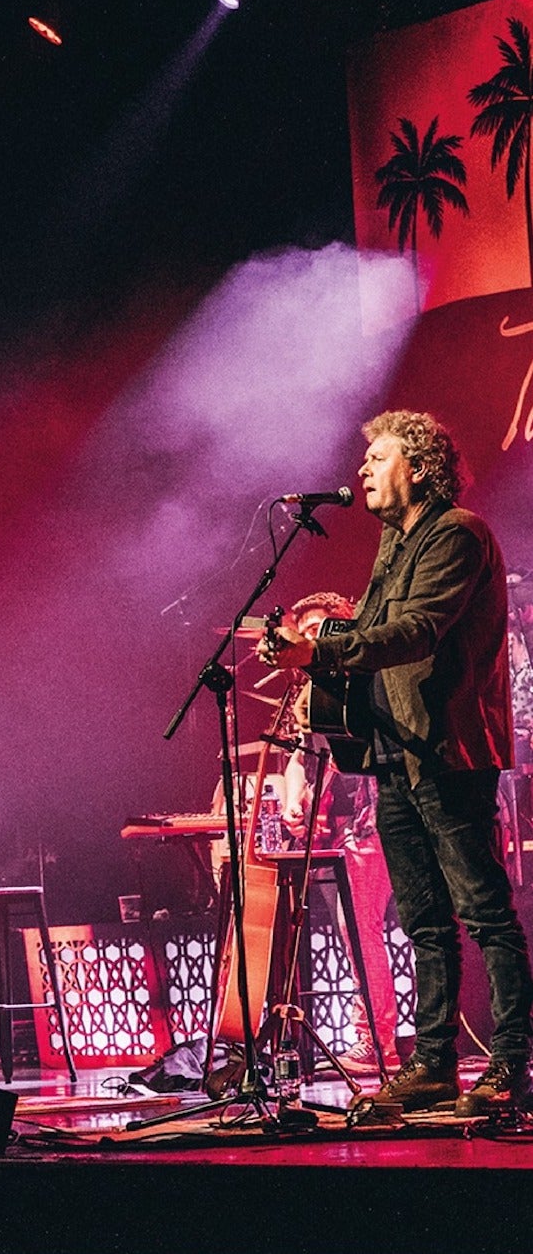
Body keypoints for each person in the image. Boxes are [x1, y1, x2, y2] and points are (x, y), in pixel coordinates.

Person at [264, 410, 528, 1116]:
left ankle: (510, 1062)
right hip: (394, 753)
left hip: (447, 751)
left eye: (377, 458)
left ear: (417, 466)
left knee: (484, 912)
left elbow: (415, 631)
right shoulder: (395, 542)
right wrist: (306, 646)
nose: (361, 470)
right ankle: (434, 1063)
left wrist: (319, 651)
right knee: (424, 921)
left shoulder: (457, 533)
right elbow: (370, 629)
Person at [275, 591, 399, 1075]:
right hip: (340, 833)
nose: (309, 643)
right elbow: (298, 756)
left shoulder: (365, 679)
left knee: (360, 930)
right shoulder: (309, 691)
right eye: (303, 634)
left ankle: (377, 1041)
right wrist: (293, 799)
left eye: (318, 633)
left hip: (374, 822)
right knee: (355, 932)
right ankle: (372, 1040)